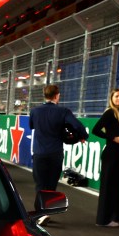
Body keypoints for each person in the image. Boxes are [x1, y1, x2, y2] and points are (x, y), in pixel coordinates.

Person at [28, 84, 88, 219]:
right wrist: (82, 136)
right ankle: (47, 211)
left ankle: (40, 214)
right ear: (57, 95)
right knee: (51, 184)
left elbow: (31, 126)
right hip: (55, 153)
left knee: (40, 185)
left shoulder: (35, 111)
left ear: (45, 95)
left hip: (39, 153)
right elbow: (77, 125)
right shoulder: (63, 111)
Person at [92, 88, 119, 227]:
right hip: (111, 154)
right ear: (112, 99)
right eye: (117, 96)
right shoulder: (110, 112)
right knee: (109, 186)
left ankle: (118, 215)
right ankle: (104, 219)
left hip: (118, 153)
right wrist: (113, 138)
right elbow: (95, 130)